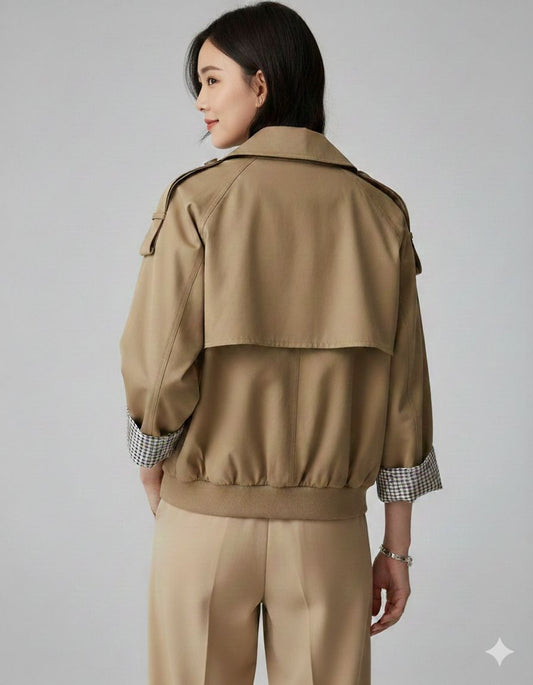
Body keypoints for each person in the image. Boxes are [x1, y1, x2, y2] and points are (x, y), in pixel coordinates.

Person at [118, 2, 443, 683]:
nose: (200, 101)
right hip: (329, 534)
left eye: (211, 80)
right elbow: (404, 395)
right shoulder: (380, 213)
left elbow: (158, 367)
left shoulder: (197, 201)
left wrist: (151, 461)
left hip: (203, 522)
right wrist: (396, 547)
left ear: (260, 85)